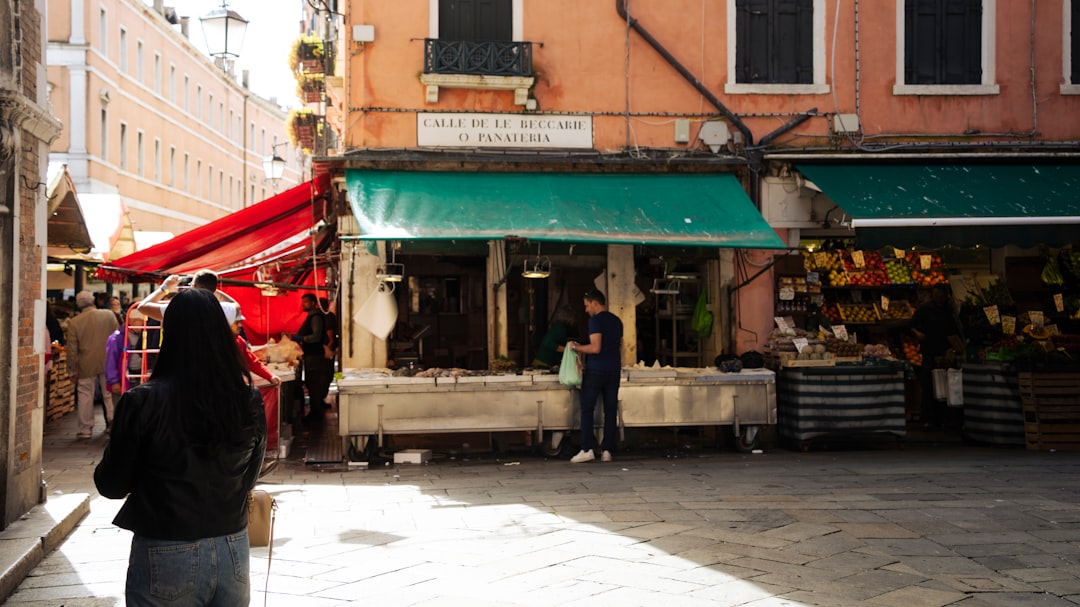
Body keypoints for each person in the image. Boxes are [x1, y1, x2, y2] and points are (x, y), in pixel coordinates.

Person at [94, 288, 267, 606]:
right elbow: (250, 476)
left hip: (166, 545)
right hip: (233, 548)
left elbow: (112, 484)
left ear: (169, 335)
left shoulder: (142, 401)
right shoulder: (248, 399)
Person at [567, 289, 623, 463]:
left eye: (586, 305)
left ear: (595, 303)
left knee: (587, 409)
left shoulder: (595, 321)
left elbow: (595, 348)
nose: (586, 310)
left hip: (597, 370)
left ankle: (587, 449)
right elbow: (618, 346)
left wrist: (575, 347)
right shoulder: (617, 321)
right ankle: (607, 451)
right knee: (611, 409)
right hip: (614, 370)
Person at [67, 290, 119, 438]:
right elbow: (117, 337)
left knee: (85, 395)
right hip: (108, 360)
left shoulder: (74, 322)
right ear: (93, 300)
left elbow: (71, 349)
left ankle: (85, 429)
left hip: (86, 362)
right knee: (108, 393)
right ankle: (112, 423)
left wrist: (71, 370)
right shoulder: (109, 315)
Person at [910, 283, 964, 427]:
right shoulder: (925, 309)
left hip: (946, 355)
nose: (940, 298)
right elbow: (911, 325)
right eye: (937, 296)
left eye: (942, 296)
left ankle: (945, 420)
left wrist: (952, 350)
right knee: (928, 387)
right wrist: (918, 334)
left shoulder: (950, 310)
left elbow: (954, 332)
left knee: (947, 388)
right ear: (932, 295)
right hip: (930, 353)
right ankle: (928, 419)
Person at [137, 269, 237, 321]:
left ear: (193, 286)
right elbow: (236, 305)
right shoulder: (223, 310)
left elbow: (142, 306)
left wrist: (164, 288)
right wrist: (212, 291)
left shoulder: (180, 308)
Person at [294, 293, 332, 422]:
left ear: (313, 303)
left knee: (314, 384)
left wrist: (301, 338)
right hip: (311, 355)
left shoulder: (315, 317)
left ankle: (316, 414)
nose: (304, 305)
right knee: (311, 384)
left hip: (315, 356)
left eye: (306, 302)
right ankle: (315, 412)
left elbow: (316, 336)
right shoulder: (311, 316)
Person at [222, 302, 280, 385]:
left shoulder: (239, 341)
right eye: (236, 322)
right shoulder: (214, 343)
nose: (240, 325)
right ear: (226, 322)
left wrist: (270, 376)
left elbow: (251, 361)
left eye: (240, 322)